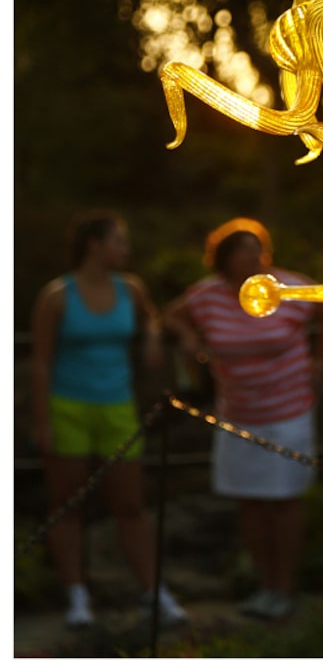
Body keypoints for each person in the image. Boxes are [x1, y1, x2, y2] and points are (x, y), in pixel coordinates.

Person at [163, 217, 323, 620]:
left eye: (258, 250)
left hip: (288, 411)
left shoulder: (289, 287)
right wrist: (187, 336)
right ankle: (264, 585)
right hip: (237, 415)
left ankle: (285, 587)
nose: (254, 258)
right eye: (244, 251)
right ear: (225, 260)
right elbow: (171, 314)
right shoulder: (207, 296)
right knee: (250, 502)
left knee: (283, 501)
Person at [29, 209, 187, 628]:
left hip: (118, 406)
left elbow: (151, 316)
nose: (126, 249)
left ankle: (153, 593)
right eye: (119, 241)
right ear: (94, 245)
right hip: (69, 407)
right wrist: (42, 420)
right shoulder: (56, 296)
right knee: (67, 506)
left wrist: (152, 338)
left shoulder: (130, 289)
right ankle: (77, 597)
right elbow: (40, 361)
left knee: (131, 504)